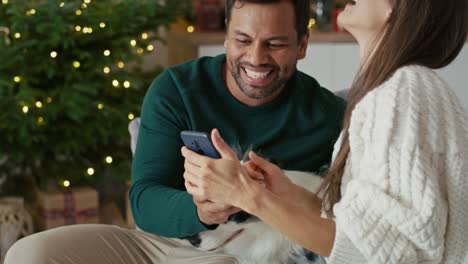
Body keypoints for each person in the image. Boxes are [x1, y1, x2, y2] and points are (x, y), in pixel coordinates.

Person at [5, 0, 346, 263]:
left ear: (302, 45)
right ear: (226, 37)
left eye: (275, 44)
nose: (256, 58)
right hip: (166, 244)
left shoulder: (329, 117)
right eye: (243, 39)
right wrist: (202, 209)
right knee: (33, 253)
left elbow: (345, 224)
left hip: (253, 254)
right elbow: (144, 199)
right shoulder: (178, 90)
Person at [182, 0, 468, 263]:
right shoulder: (398, 90)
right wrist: (286, 193)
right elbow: (363, 231)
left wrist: (248, 197)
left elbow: (383, 253)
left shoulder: (401, 93)